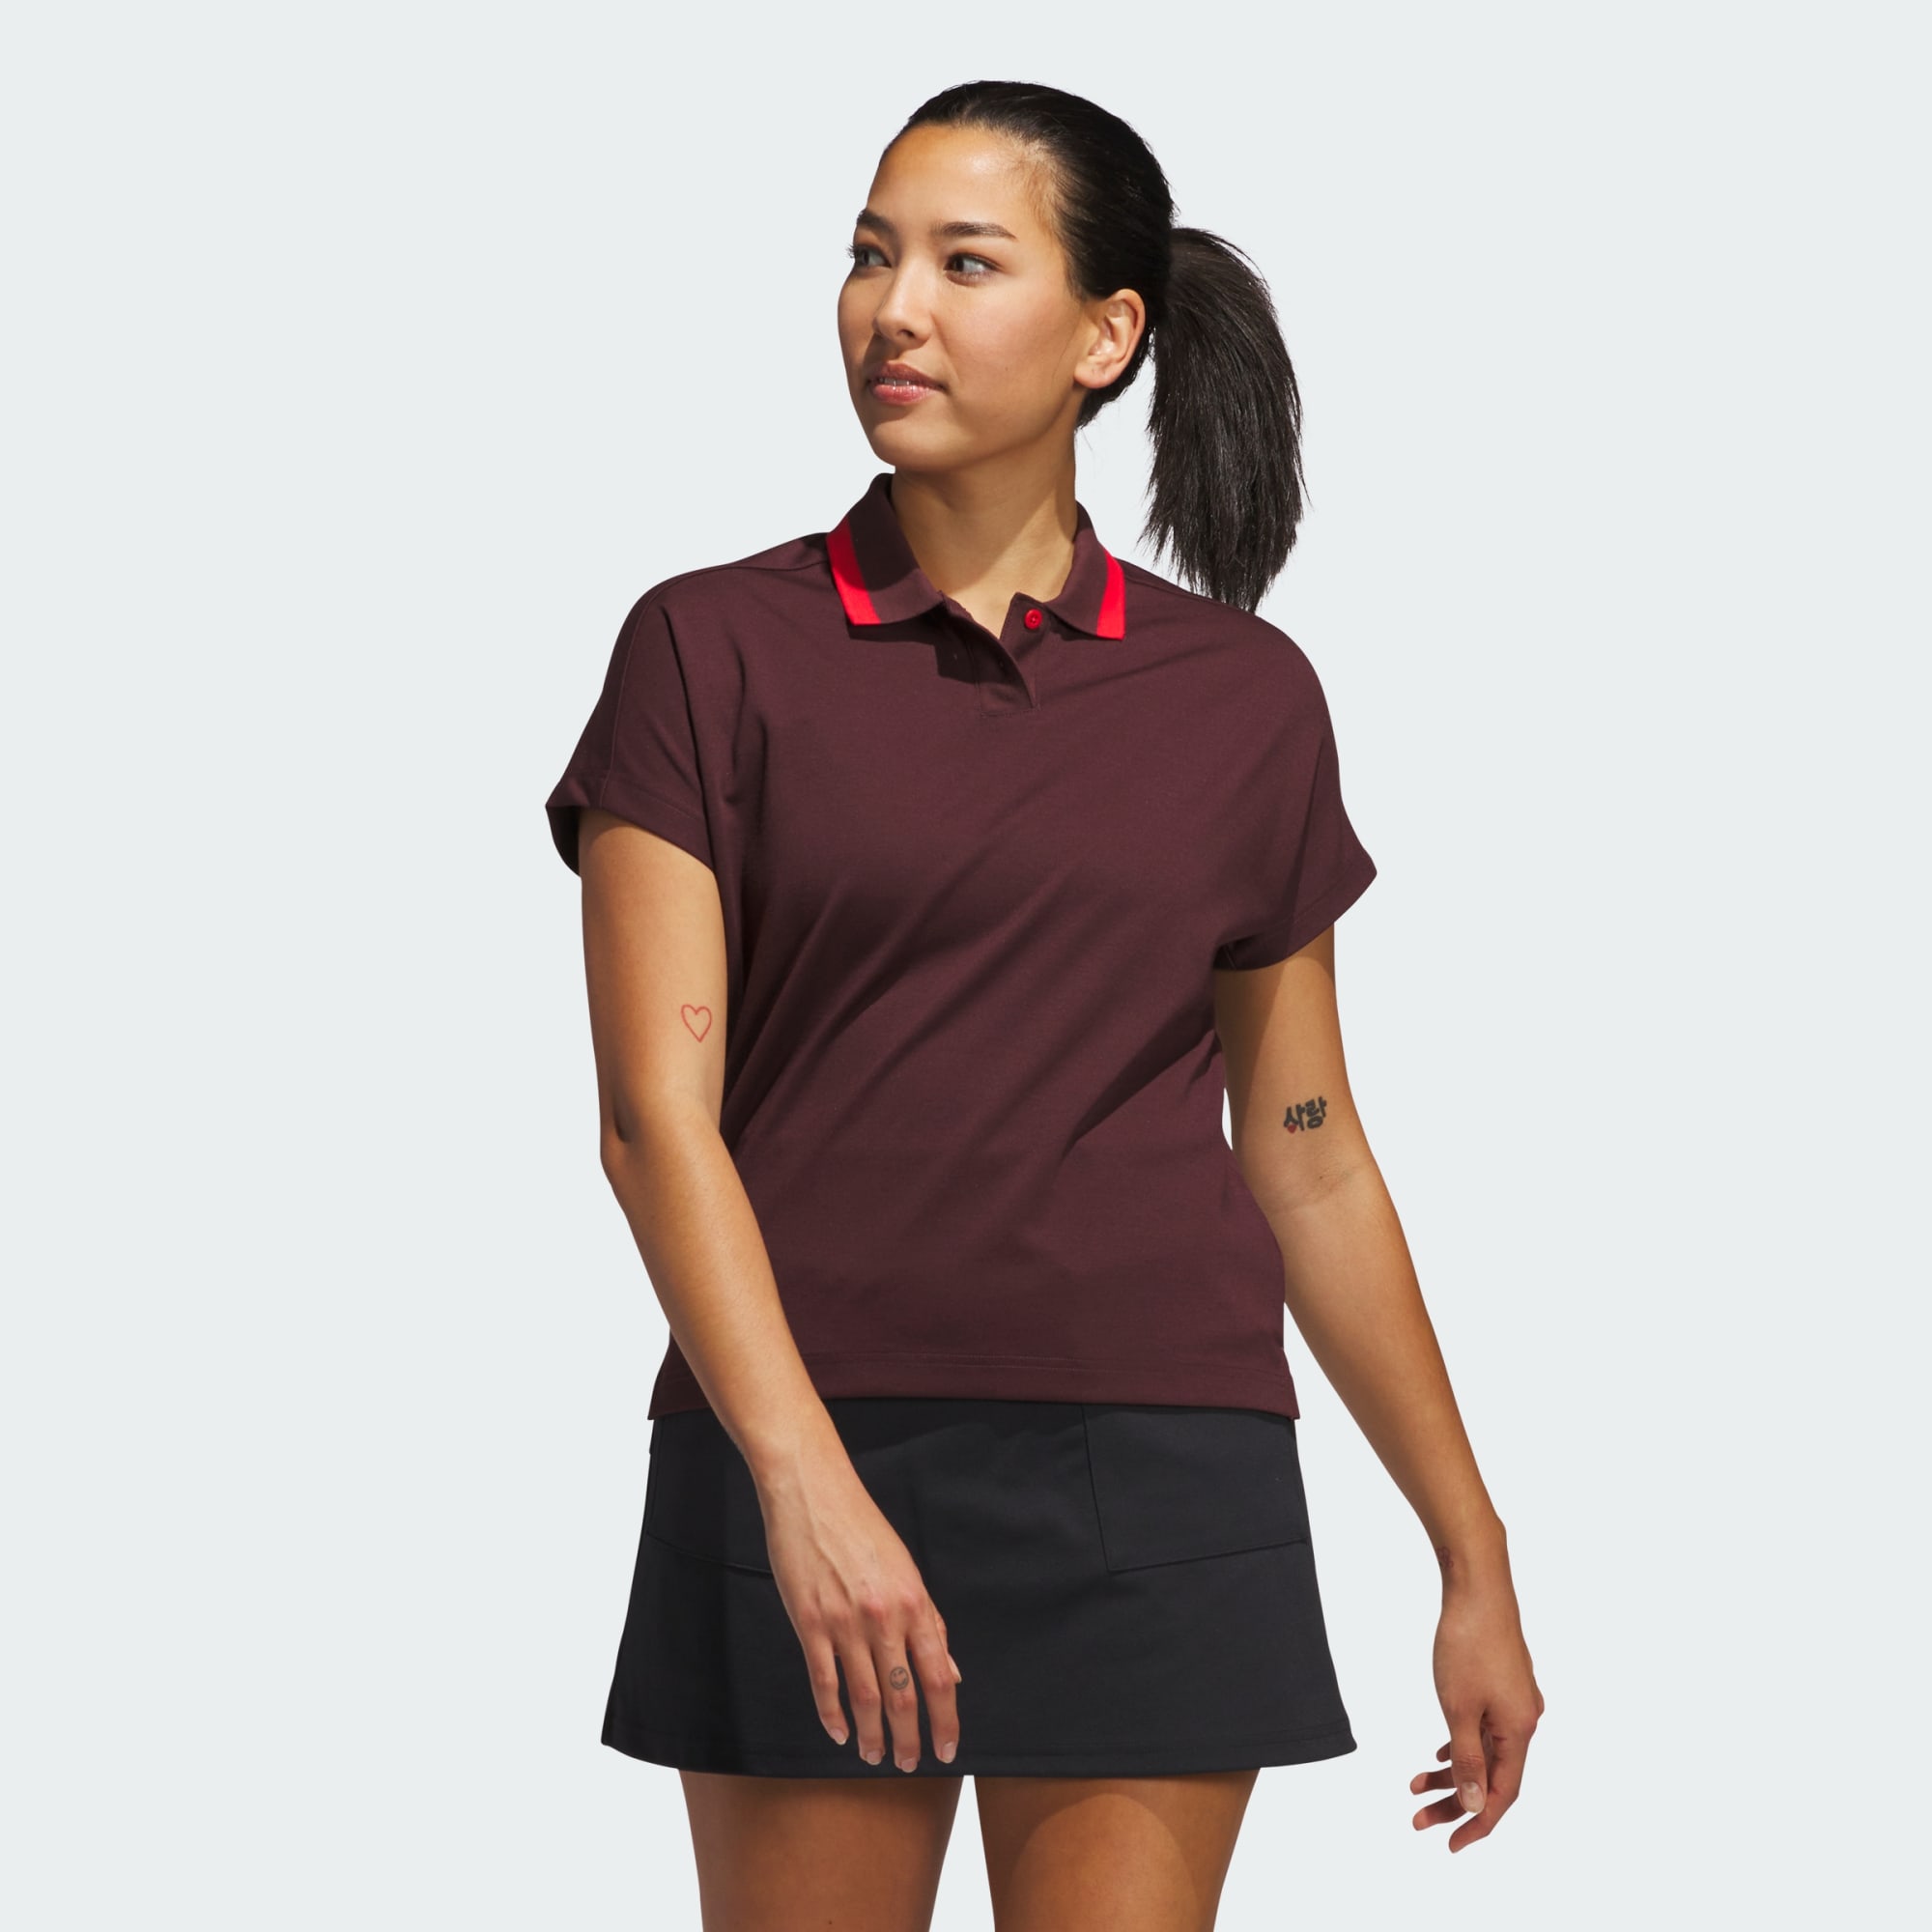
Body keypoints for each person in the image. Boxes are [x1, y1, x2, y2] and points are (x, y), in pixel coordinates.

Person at [543, 78, 1543, 1932]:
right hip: (804, 1435)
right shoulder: (707, 648)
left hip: (1163, 1468)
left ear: (1107, 335)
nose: (892, 309)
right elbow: (650, 1122)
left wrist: (1468, 1549)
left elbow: (1309, 1153)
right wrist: (802, 1485)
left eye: (964, 263)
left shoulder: (1243, 696)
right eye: (870, 256)